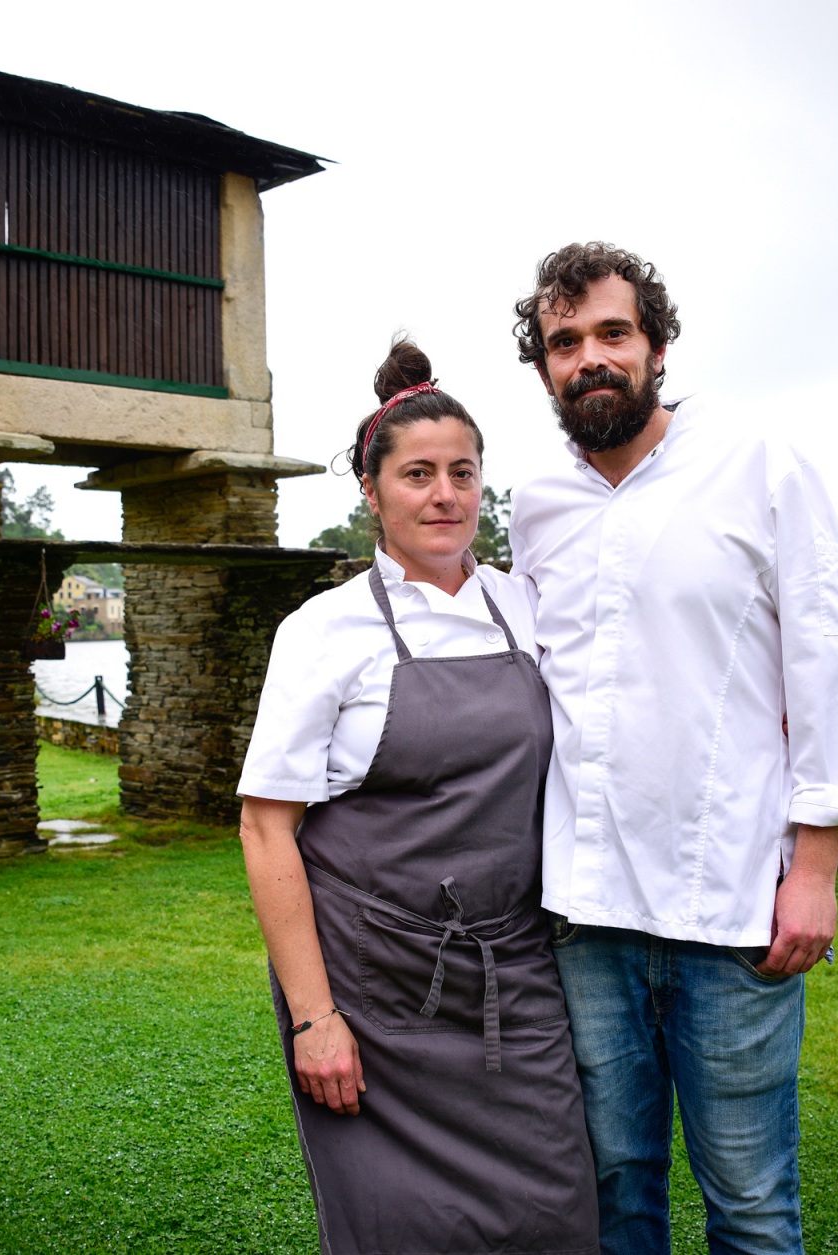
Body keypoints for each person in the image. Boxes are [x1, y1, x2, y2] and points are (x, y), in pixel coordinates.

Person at [506, 243, 838, 1255]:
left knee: (751, 1203)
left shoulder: (759, 465)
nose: (590, 356)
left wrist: (815, 869)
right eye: (564, 341)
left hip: (733, 907)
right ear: (543, 368)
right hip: (584, 913)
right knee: (612, 1195)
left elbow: (829, 667)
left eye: (612, 332)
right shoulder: (535, 504)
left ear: (657, 347)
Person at [238, 338, 599, 1255]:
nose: (445, 495)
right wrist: (315, 1017)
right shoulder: (323, 631)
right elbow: (266, 828)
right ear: (372, 491)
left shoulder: (527, 607)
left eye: (462, 473)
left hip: (513, 969)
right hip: (373, 985)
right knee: (399, 1229)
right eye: (418, 474)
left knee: (556, 1211)